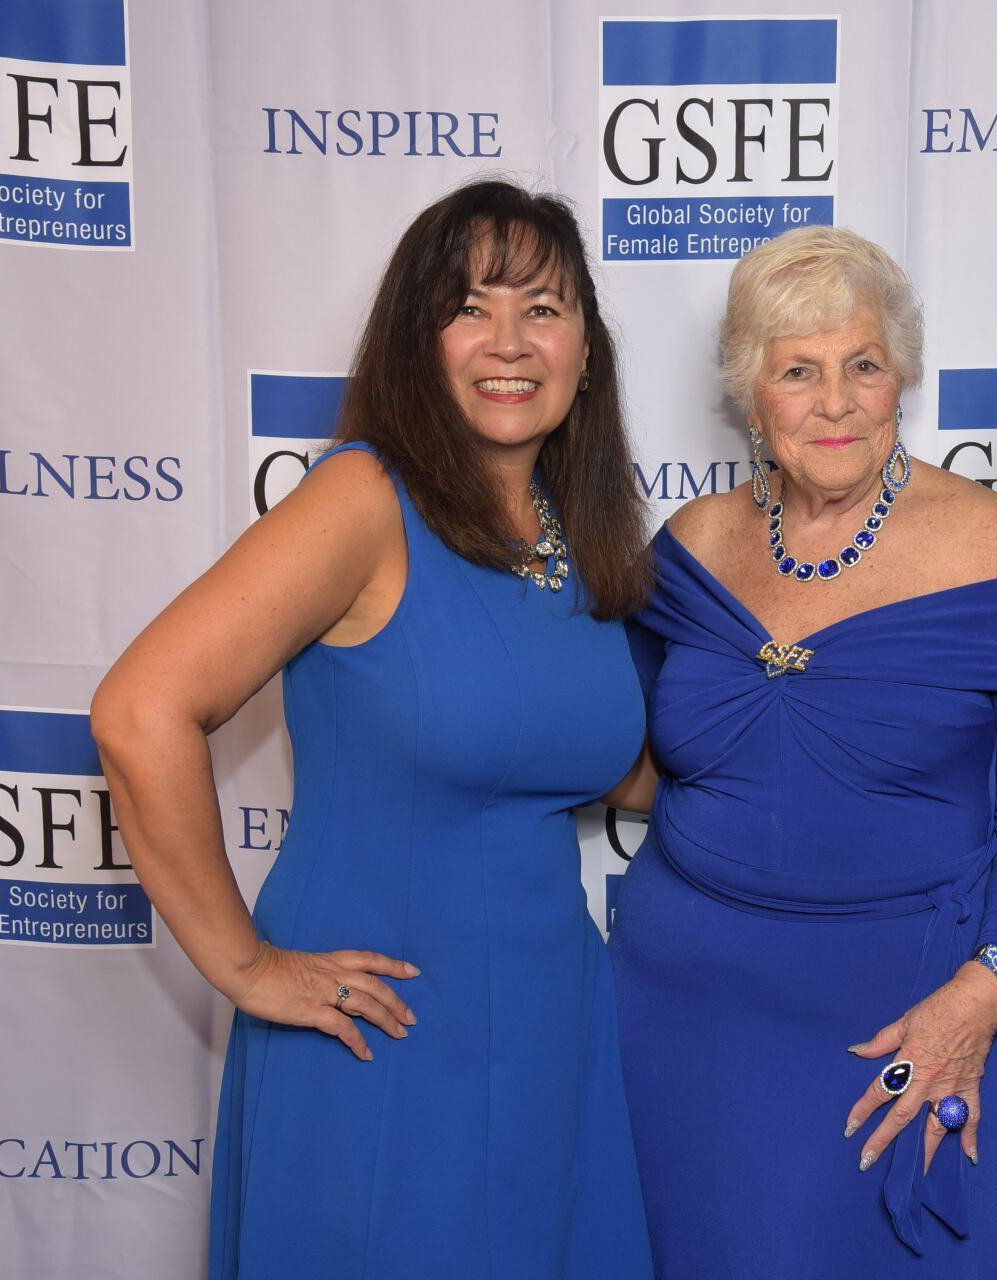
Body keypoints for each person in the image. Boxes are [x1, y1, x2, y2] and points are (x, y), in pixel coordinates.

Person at [91, 181, 656, 1278]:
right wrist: (247, 966)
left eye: (542, 309)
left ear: (586, 351)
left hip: (550, 1026)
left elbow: (616, 767)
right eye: (469, 307)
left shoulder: (576, 535)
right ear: (416, 341)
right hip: (377, 1026)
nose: (509, 341)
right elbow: (139, 709)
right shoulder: (364, 498)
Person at [607, 226, 997, 1278]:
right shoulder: (692, 543)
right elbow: (609, 738)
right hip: (684, 1009)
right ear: (749, 392)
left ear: (903, 377)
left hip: (910, 1007)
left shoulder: (986, 540)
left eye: (863, 364)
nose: (837, 402)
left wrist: (987, 992)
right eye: (798, 371)